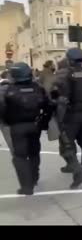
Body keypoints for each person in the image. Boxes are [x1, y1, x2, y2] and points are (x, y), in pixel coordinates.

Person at [0, 62, 51, 195]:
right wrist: (43, 123)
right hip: (35, 125)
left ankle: (26, 186)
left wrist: (6, 121)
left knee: (20, 156)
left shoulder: (6, 90)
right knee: (34, 152)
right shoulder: (38, 88)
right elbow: (48, 106)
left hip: (17, 127)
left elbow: (1, 108)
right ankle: (34, 178)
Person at [51, 48, 82, 189]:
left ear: (69, 59)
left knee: (66, 145)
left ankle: (77, 171)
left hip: (71, 115)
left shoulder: (66, 74)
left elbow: (60, 95)